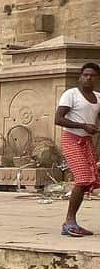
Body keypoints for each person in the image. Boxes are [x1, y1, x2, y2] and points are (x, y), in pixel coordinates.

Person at [55, 61, 100, 237]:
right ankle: (69, 222)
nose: (88, 78)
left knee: (90, 180)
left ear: (96, 79)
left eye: (92, 75)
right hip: (71, 139)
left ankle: (72, 222)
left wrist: (93, 129)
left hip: (87, 141)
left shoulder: (98, 98)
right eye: (85, 75)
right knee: (82, 179)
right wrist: (83, 125)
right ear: (80, 77)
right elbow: (58, 119)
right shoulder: (71, 94)